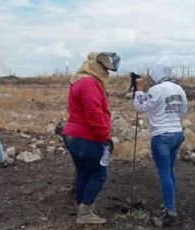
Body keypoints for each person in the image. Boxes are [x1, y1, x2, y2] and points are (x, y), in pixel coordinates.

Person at [62, 52, 120, 224]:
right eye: (104, 68)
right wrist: (105, 137)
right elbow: (93, 114)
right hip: (86, 137)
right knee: (99, 173)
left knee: (83, 173)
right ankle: (85, 212)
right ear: (95, 66)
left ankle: (82, 206)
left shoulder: (79, 81)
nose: (107, 72)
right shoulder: (89, 83)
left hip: (74, 135)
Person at [133, 58, 187, 227]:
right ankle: (169, 205)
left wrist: (139, 91)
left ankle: (170, 213)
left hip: (162, 136)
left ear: (156, 72)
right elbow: (183, 110)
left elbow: (140, 107)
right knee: (170, 171)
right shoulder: (179, 89)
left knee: (164, 173)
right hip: (177, 133)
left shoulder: (156, 89)